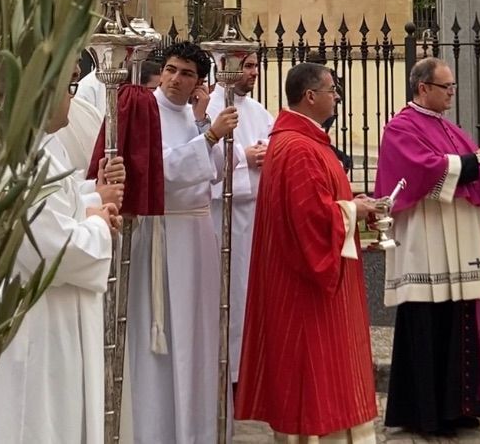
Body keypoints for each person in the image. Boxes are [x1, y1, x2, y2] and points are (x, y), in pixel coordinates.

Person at [236, 63, 378, 442]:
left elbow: (321, 202)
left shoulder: (303, 140)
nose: (337, 97)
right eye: (333, 90)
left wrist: (352, 204)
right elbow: (310, 220)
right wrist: (353, 210)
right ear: (310, 96)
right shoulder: (299, 148)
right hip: (308, 290)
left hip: (314, 282)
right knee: (315, 372)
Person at [376, 57, 480, 436]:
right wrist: (476, 158)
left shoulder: (450, 128)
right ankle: (427, 414)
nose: (452, 93)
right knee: (429, 325)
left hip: (458, 243)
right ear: (423, 88)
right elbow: (423, 171)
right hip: (427, 243)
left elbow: (478, 176)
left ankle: (459, 408)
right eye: (446, 86)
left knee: (459, 323)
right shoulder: (401, 127)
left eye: (453, 86)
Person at [0, 61, 123, 443]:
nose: (71, 99)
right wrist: (99, 223)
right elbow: (50, 248)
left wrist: (93, 199)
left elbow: (54, 211)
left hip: (57, 311)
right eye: (68, 88)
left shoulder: (42, 147)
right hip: (40, 319)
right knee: (42, 420)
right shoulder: (22, 158)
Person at [126, 42, 240, 443]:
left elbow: (219, 171)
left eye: (187, 74)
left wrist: (206, 127)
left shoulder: (194, 117)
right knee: (160, 338)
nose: (175, 79)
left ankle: (199, 430)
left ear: (199, 82)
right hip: (161, 235)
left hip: (197, 236)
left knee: (199, 335)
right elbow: (159, 171)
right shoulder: (144, 111)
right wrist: (209, 137)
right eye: (171, 70)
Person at [207, 51, 272, 389]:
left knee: (249, 297)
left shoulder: (260, 112)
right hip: (221, 219)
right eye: (246, 66)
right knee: (227, 294)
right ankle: (227, 373)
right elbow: (201, 165)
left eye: (255, 66)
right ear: (225, 68)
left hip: (255, 219)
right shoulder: (207, 108)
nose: (253, 72)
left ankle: (248, 372)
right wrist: (244, 158)